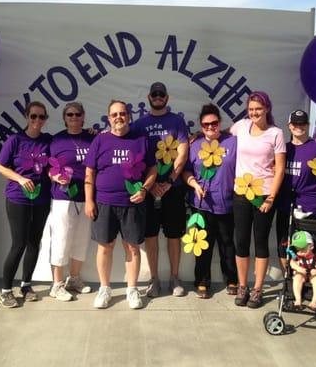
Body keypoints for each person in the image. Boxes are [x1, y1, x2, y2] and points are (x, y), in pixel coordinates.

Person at [84, 100, 157, 309]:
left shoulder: (141, 140)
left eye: (122, 113)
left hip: (132, 204)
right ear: (109, 118)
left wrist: (144, 189)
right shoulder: (100, 140)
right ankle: (104, 289)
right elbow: (90, 172)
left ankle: (132, 290)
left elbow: (152, 170)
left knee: (133, 247)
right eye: (114, 114)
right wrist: (89, 200)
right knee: (105, 247)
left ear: (129, 116)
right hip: (104, 203)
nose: (119, 117)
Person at [131, 82, 189, 297]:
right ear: (148, 97)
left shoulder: (177, 121)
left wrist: (170, 181)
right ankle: (154, 280)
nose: (157, 97)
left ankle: (175, 278)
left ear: (167, 97)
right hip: (148, 189)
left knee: (174, 235)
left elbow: (183, 152)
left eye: (161, 94)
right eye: (154, 94)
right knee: (150, 235)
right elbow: (129, 149)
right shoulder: (139, 124)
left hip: (172, 188)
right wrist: (150, 185)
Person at [231, 91, 286, 308]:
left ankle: (257, 289)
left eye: (258, 109)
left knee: (261, 242)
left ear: (267, 109)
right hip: (242, 193)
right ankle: (243, 286)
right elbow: (223, 134)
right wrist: (198, 136)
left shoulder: (276, 133)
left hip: (264, 195)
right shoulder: (242, 126)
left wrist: (271, 198)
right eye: (251, 109)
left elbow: (280, 168)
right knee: (241, 242)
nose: (254, 113)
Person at [0, 101, 52, 308]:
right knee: (18, 243)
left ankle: (26, 285)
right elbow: (0, 166)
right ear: (27, 117)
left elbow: (60, 153)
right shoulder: (15, 140)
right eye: (33, 116)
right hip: (17, 198)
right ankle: (5, 291)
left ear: (46, 119)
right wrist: (19, 179)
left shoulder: (48, 140)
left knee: (34, 243)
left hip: (41, 199)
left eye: (41, 117)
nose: (37, 120)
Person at [182, 104, 238, 299]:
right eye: (206, 124)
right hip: (201, 204)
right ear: (201, 125)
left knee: (227, 244)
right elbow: (186, 170)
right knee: (202, 245)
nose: (210, 127)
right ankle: (202, 281)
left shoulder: (232, 142)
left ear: (220, 123)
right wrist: (194, 185)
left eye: (214, 123)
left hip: (227, 203)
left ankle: (232, 279)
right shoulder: (194, 144)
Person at [275, 110, 316, 271]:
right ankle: (289, 280)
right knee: (284, 244)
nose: (299, 127)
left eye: (303, 123)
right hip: (285, 204)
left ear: (308, 125)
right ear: (289, 126)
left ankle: (308, 281)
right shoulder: (283, 149)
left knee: (308, 246)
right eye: (295, 124)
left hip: (310, 205)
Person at [47, 102, 95, 302]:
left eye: (77, 114)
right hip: (63, 197)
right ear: (64, 118)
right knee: (61, 239)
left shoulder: (92, 137)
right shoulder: (56, 140)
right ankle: (56, 285)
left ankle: (73, 279)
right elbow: (48, 167)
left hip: (86, 196)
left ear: (83, 116)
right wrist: (54, 177)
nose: (73, 117)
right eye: (69, 115)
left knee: (81, 240)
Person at [289, 230, 316, 311]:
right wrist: (298, 268)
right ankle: (298, 300)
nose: (299, 252)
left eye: (302, 249)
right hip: (301, 273)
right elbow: (292, 263)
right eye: (297, 249)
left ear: (311, 246)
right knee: (297, 278)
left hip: (314, 274)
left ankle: (314, 302)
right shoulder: (297, 256)